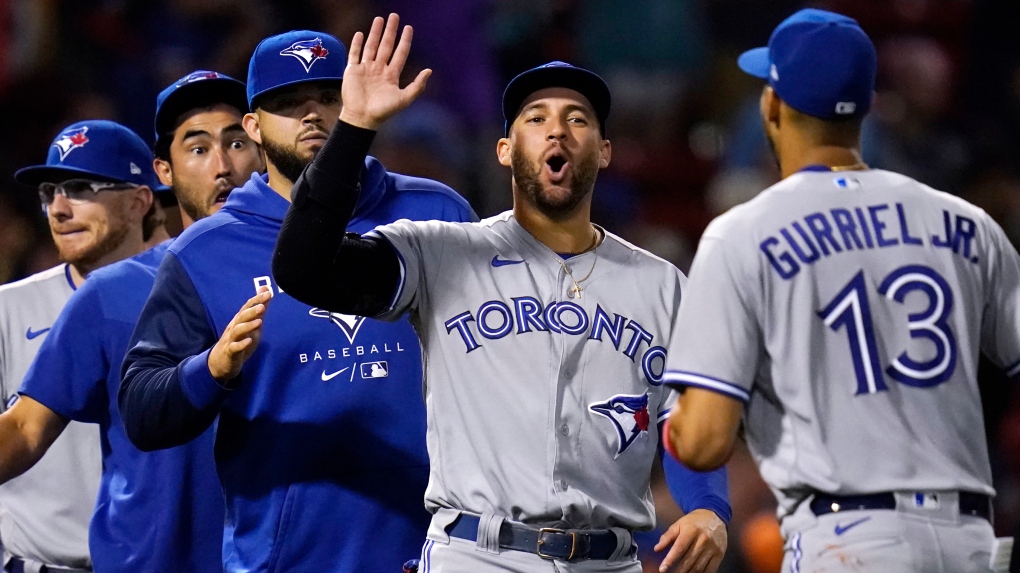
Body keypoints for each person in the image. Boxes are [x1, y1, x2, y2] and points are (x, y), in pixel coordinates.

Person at [272, 15, 730, 573]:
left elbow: (690, 420)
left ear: (605, 151)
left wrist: (710, 508)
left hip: (609, 560)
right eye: (536, 119)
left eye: (577, 119)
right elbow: (304, 268)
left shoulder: (663, 285)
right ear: (506, 150)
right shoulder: (438, 253)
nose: (557, 131)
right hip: (478, 554)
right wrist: (354, 128)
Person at [661, 8, 1019, 572]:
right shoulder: (967, 223)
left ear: (772, 105)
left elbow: (703, 441)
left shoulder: (744, 233)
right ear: (869, 108)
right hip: (969, 538)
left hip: (850, 537)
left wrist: (674, 416)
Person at [119, 28, 477, 573]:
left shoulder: (436, 212)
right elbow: (143, 411)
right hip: (290, 560)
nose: (312, 114)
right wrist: (210, 368)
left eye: (329, 98)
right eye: (289, 103)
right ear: (253, 127)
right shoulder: (207, 250)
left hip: (443, 551)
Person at [5, 71, 261, 572]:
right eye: (198, 148)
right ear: (163, 171)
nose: (223, 166)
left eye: (236, 141)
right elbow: (24, 430)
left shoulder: (312, 277)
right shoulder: (110, 292)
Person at [0, 119, 163, 573]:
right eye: (49, 192)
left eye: (79, 188)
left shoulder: (189, 299)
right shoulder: (7, 309)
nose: (58, 208)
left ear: (138, 201)